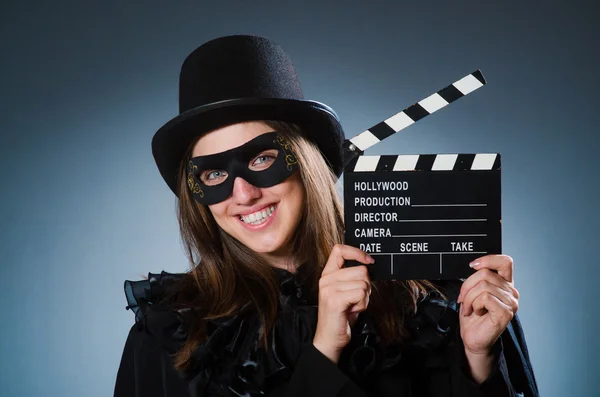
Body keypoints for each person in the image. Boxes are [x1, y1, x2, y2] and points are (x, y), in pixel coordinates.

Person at [113, 35, 538, 397]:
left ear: (307, 163)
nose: (243, 193)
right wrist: (325, 349)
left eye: (262, 159)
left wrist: (480, 361)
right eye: (216, 173)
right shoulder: (169, 334)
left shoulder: (436, 294)